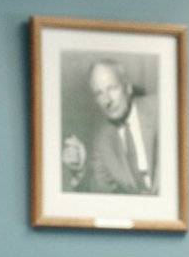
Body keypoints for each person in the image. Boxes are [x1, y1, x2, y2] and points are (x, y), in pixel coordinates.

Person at [62, 59, 158, 194]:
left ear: (127, 87)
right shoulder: (102, 141)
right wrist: (79, 170)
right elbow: (99, 192)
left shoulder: (160, 108)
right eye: (99, 93)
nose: (107, 100)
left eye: (112, 88)